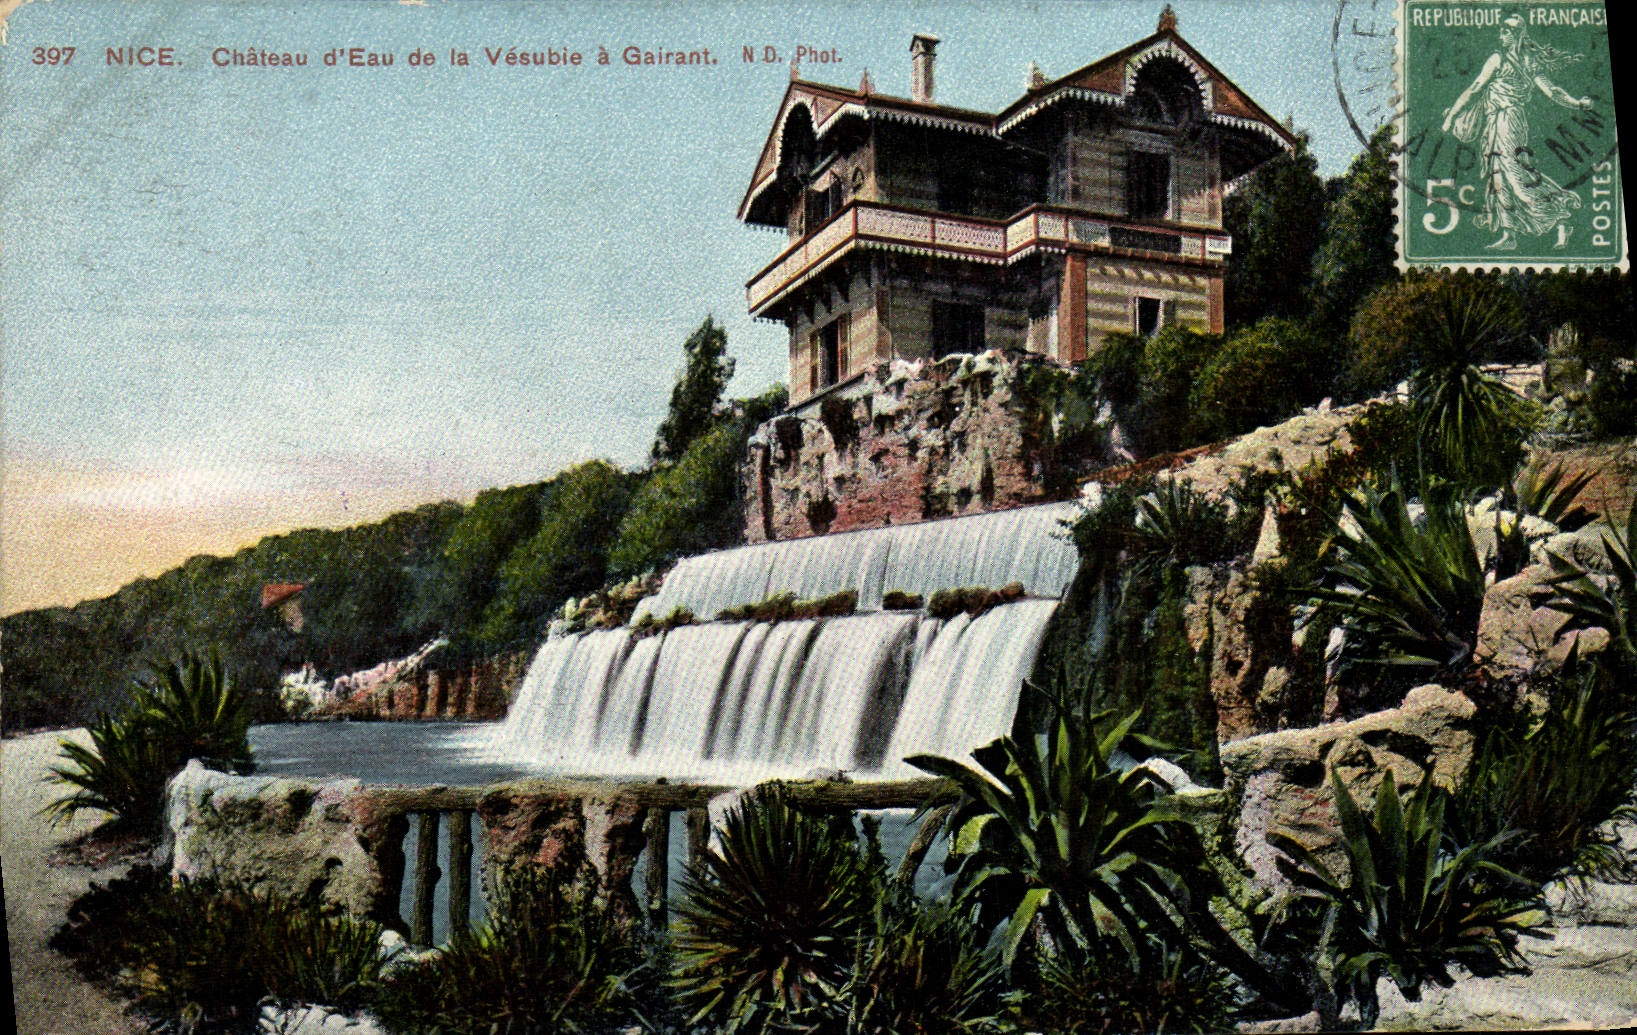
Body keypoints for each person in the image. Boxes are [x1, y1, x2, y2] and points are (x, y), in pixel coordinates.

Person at [1440, 15, 1593, 250]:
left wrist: (1576, 104)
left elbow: (1476, 88)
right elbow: (1551, 91)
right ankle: (1509, 234)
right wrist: (1577, 103)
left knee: (1514, 173)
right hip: (1495, 121)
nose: (1501, 35)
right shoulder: (1518, 59)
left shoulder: (1502, 59)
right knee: (1497, 175)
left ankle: (1561, 214)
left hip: (1508, 121)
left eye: (1506, 31)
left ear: (1516, 34)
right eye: (1501, 30)